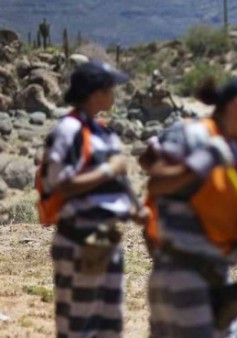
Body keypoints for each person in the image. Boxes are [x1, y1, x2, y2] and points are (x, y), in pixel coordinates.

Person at [139, 74, 237, 337]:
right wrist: (197, 165)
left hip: (218, 277)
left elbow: (226, 215)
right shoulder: (192, 135)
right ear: (236, 105)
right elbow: (157, 182)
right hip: (180, 274)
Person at [37, 59, 147, 337]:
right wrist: (109, 168)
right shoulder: (68, 130)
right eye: (110, 89)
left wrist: (134, 209)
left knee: (108, 323)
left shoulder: (103, 130)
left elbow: (117, 181)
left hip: (105, 240)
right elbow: (59, 183)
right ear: (96, 92)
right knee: (79, 323)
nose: (114, 95)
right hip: (78, 239)